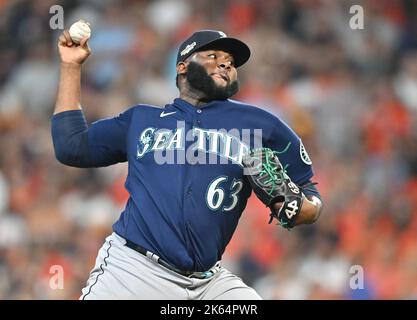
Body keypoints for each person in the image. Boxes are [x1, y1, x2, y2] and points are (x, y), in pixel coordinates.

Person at [52, 29, 323, 300]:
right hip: (133, 270)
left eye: (230, 60)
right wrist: (70, 66)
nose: (226, 63)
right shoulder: (142, 120)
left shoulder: (263, 124)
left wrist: (298, 206)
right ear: (182, 66)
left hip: (208, 283)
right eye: (213, 55)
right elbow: (71, 147)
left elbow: (310, 198)